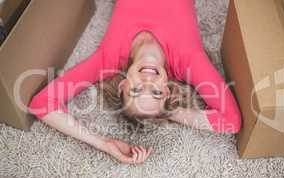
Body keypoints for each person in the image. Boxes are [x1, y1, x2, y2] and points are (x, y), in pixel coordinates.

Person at [28, 0, 242, 164]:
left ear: (122, 85)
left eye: (137, 90)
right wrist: (165, 112)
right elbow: (231, 120)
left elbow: (41, 104)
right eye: (157, 93)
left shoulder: (107, 60)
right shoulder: (188, 59)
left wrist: (104, 144)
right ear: (167, 90)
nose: (148, 80)